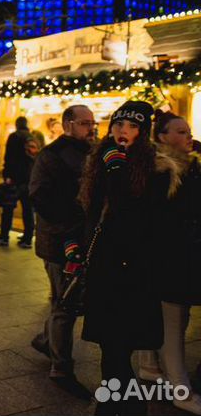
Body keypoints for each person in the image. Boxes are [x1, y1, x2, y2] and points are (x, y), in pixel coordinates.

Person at [79, 100, 181, 416]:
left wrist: (117, 172)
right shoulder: (100, 161)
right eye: (119, 125)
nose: (123, 132)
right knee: (110, 350)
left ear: (143, 132)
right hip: (104, 270)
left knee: (119, 347)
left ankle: (122, 408)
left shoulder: (157, 170)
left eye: (132, 127)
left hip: (134, 273)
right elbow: (92, 215)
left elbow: (134, 221)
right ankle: (120, 406)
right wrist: (76, 247)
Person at [27, 105, 96, 399]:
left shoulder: (90, 153)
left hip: (81, 239)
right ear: (68, 124)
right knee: (65, 305)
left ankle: (46, 339)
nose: (90, 128)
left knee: (65, 300)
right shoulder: (51, 155)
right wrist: (68, 232)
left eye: (93, 123)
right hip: (60, 243)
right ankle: (61, 367)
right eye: (84, 123)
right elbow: (40, 196)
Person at [136, 111, 201, 414]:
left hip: (175, 259)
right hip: (170, 261)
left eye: (188, 131)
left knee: (168, 321)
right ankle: (181, 390)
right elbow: (163, 220)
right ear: (162, 136)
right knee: (173, 327)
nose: (189, 136)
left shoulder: (186, 167)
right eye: (181, 131)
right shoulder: (164, 170)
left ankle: (149, 366)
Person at [0, 116, 36, 247]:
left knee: (8, 208)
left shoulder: (14, 137)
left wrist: (7, 175)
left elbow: (9, 157)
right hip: (29, 179)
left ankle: (4, 236)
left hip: (15, 179)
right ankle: (27, 238)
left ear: (16, 125)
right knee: (28, 210)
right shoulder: (32, 137)